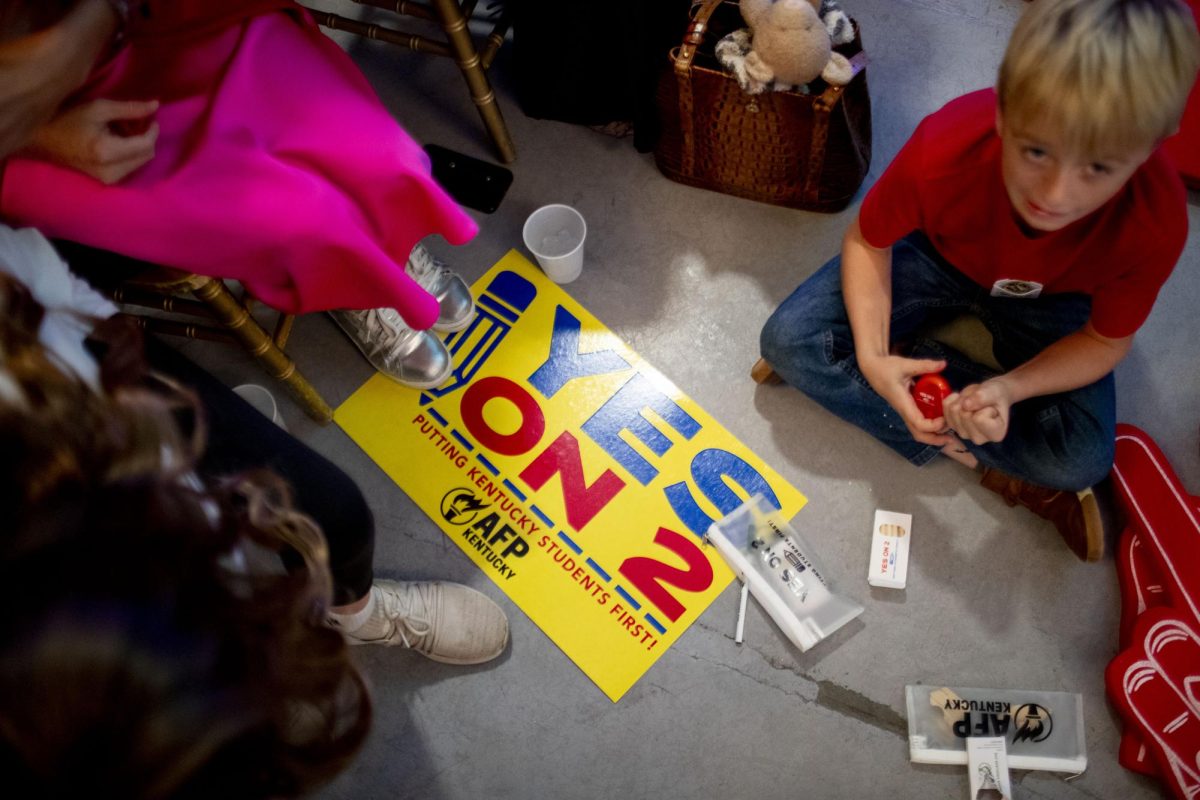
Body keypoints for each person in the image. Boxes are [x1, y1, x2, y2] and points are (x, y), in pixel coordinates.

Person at [758, 0, 1200, 562]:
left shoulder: (1156, 220)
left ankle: (912, 376)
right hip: (939, 254)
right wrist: (871, 357)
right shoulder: (946, 147)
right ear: (1003, 108)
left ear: (1157, 141)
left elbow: (1105, 341)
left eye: (1100, 167)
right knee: (787, 340)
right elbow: (870, 243)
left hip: (1056, 301)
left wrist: (1007, 389)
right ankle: (996, 466)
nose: (1055, 196)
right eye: (1036, 150)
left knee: (1085, 458)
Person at [0, 0, 479, 389]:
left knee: (375, 149)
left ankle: (389, 242)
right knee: (283, 214)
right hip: (39, 121)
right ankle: (356, 279)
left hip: (174, 16)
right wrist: (34, 134)